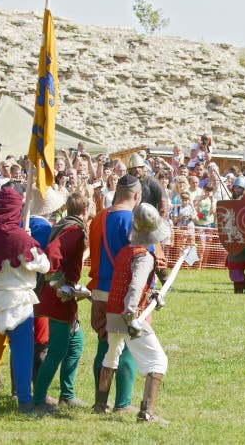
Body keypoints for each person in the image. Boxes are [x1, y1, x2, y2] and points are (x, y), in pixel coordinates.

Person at [0, 187, 51, 413]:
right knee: (22, 353)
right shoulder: (20, 238)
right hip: (17, 301)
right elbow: (43, 265)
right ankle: (25, 401)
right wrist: (27, 239)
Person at [96, 203, 171, 423]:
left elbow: (135, 285)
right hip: (128, 316)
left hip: (113, 313)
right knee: (158, 361)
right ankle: (146, 414)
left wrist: (153, 296)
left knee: (111, 356)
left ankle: (100, 405)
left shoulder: (125, 252)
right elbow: (135, 286)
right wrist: (131, 312)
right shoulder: (144, 257)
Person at [33, 192, 91, 411]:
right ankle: (38, 399)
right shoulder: (74, 230)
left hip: (64, 296)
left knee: (76, 344)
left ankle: (67, 395)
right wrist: (60, 285)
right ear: (85, 211)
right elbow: (52, 254)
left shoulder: (66, 225)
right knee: (57, 350)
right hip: (59, 297)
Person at [89, 175, 142, 414]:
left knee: (104, 345)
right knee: (128, 344)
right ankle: (122, 402)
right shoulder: (132, 220)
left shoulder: (98, 218)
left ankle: (100, 401)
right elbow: (141, 258)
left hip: (99, 289)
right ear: (137, 196)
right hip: (122, 292)